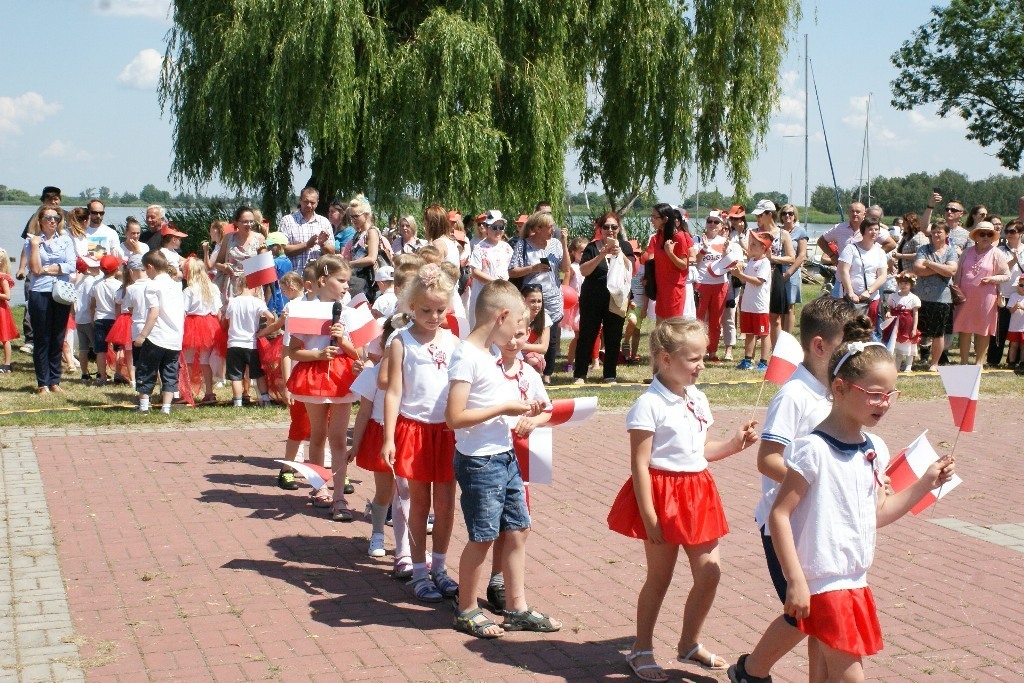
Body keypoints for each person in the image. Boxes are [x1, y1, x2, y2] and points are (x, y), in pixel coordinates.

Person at [766, 340, 955, 683]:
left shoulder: (875, 449)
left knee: (826, 676)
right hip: (825, 582)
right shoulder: (812, 449)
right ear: (839, 388)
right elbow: (778, 514)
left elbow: (877, 514)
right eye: (874, 394)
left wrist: (925, 483)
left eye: (890, 394)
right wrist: (795, 580)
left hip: (855, 581)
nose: (884, 404)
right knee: (851, 677)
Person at [607, 319, 758, 679]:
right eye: (693, 359)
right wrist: (649, 516)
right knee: (659, 578)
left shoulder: (698, 397)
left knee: (710, 573)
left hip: (697, 493)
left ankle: (688, 644)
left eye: (702, 357)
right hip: (662, 495)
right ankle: (641, 648)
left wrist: (735, 443)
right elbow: (640, 465)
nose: (701, 365)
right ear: (665, 359)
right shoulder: (649, 404)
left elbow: (702, 450)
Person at [729, 297, 857, 683]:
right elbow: (768, 458)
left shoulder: (834, 393)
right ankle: (751, 671)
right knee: (805, 612)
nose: (852, 357)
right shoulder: (794, 395)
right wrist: (815, 479)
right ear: (819, 346)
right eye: (844, 348)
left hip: (820, 524)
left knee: (821, 614)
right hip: (786, 523)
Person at [447, 280, 556, 639]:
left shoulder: (489, 355)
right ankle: (466, 609)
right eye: (516, 325)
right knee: (482, 536)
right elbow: (455, 417)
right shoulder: (468, 355)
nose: (517, 335)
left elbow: (492, 405)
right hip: (480, 461)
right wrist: (506, 408)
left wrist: (525, 412)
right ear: (502, 316)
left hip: (503, 454)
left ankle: (516, 607)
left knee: (518, 529)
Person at [382, 264, 460, 602]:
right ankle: (418, 570)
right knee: (418, 504)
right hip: (414, 429)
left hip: (448, 432)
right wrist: (388, 437)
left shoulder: (454, 341)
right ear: (412, 305)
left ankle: (440, 568)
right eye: (426, 310)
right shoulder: (401, 341)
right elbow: (394, 392)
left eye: (440, 310)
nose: (433, 316)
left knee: (445, 504)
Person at [285, 256, 360, 513]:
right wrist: (318, 354)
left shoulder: (350, 313)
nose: (345, 286)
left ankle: (339, 494)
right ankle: (320, 487)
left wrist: (344, 341)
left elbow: (359, 353)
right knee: (317, 435)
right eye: (340, 280)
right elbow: (292, 350)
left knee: (338, 438)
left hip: (341, 377)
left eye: (347, 281)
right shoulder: (304, 310)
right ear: (322, 280)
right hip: (314, 376)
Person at [507, 211, 569, 383]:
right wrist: (532, 268)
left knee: (552, 336)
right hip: (531, 296)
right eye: (549, 227)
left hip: (552, 297)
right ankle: (524, 368)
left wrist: (564, 244)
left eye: (553, 226)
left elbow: (565, 268)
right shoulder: (524, 244)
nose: (552, 229)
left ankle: (547, 374)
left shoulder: (555, 244)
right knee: (527, 332)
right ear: (537, 228)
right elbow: (512, 270)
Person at [573, 212, 635, 384]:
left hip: (615, 299)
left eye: (613, 227)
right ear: (600, 229)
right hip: (592, 298)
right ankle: (580, 374)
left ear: (618, 228)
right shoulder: (592, 247)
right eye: (606, 227)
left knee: (613, 336)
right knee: (587, 335)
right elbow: (583, 271)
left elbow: (632, 270)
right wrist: (600, 255)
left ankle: (610, 375)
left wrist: (619, 252)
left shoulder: (625, 246)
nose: (610, 230)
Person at [26, 205, 77, 393]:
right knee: (42, 337)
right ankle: (43, 382)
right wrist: (34, 247)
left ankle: (55, 380)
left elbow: (71, 265)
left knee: (57, 336)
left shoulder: (66, 240)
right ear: (40, 220)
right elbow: (35, 269)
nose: (52, 221)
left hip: (61, 292)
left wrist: (48, 269)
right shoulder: (32, 241)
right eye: (48, 217)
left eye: (56, 217)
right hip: (40, 292)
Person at [133, 250, 185, 413]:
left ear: (150, 267)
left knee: (146, 369)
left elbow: (153, 313)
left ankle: (143, 406)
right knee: (170, 372)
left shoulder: (152, 285)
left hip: (156, 336)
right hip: (174, 337)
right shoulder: (176, 285)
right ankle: (166, 407)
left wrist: (142, 335)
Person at [953, 221, 1010, 365]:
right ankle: (964, 362)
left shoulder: (996, 253)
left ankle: (979, 363)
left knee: (983, 330)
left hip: (986, 297)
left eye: (989, 234)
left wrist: (992, 278)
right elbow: (958, 273)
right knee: (964, 329)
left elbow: (1006, 275)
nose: (986, 237)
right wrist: (956, 290)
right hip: (965, 296)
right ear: (976, 235)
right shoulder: (967, 252)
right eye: (982, 233)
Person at [18, 187, 66, 354]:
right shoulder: (35, 218)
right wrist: (21, 268)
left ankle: (60, 341)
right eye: (49, 199)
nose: (53, 202)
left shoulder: (65, 217)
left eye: (56, 199)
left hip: (60, 275)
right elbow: (27, 246)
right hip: (37, 270)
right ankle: (31, 339)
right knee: (31, 303)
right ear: (43, 200)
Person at [912, 220, 959, 371]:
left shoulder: (951, 251)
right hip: (921, 296)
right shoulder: (923, 249)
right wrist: (942, 268)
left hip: (942, 298)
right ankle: (910, 360)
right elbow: (918, 270)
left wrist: (930, 264)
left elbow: (952, 271)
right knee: (916, 330)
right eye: (934, 232)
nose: (936, 235)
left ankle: (934, 363)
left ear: (947, 234)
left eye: (939, 232)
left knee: (939, 333)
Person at [224, 278, 275, 407]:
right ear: (256, 287)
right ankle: (265, 399)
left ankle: (237, 402)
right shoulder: (257, 302)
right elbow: (271, 317)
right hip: (251, 344)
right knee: (259, 374)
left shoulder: (232, 301)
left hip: (234, 343)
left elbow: (227, 320)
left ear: (240, 285)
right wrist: (265, 331)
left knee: (236, 376)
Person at [181, 257, 224, 404]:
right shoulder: (213, 288)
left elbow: (184, 312)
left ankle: (186, 393)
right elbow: (218, 311)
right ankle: (210, 392)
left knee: (187, 361)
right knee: (205, 362)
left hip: (192, 326)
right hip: (210, 325)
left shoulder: (188, 290)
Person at [644, 203, 696, 322]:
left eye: (654, 217)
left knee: (672, 326)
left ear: (665, 219)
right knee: (660, 326)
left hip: (674, 289)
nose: (651, 220)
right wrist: (648, 277)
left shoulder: (678, 237)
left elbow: (683, 265)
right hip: (661, 287)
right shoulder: (658, 235)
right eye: (651, 216)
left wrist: (670, 253)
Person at [837, 217, 888, 327]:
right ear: (863, 231)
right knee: (849, 328)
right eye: (870, 229)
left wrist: (869, 292)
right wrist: (850, 292)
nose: (874, 232)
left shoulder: (880, 252)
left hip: (871, 299)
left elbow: (882, 275)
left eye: (876, 229)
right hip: (851, 299)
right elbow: (844, 271)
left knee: (868, 329)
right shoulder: (851, 248)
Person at [733, 231, 773, 371]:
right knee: (749, 332)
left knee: (763, 333)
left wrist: (740, 275)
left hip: (759, 305)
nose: (751, 246)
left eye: (754, 244)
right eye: (751, 243)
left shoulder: (765, 263)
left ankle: (763, 361)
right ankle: (748, 359)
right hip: (748, 304)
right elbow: (745, 279)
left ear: (763, 248)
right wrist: (738, 273)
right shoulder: (751, 261)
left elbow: (758, 281)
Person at [467, 210, 514, 328]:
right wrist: (494, 282)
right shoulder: (479, 248)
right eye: (494, 227)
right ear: (487, 228)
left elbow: (510, 268)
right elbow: (475, 271)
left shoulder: (507, 247)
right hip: (484, 293)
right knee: (483, 327)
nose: (498, 231)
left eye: (501, 227)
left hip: (503, 292)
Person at [987, 219, 1024, 366]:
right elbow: (998, 270)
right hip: (1003, 295)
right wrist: (1013, 261)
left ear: (1021, 233)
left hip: (1020, 296)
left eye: (1012, 231)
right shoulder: (1000, 250)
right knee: (999, 329)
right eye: (1007, 231)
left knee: (1020, 329)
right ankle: (993, 360)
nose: (1008, 234)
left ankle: (1014, 360)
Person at [344, 194, 390, 301]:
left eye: (356, 216)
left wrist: (348, 263)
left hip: (369, 283)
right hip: (359, 280)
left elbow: (371, 258)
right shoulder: (358, 234)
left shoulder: (372, 231)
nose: (353, 219)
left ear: (366, 215)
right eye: (351, 216)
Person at [215, 206, 267, 299]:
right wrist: (224, 267)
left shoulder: (259, 238)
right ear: (236, 222)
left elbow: (265, 268)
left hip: (252, 286)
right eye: (245, 221)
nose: (249, 224)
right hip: (232, 287)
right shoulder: (228, 238)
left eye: (251, 221)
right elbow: (217, 263)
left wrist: (263, 252)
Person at [89, 255, 123, 385]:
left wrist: (93, 319)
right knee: (119, 348)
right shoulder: (119, 285)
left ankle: (102, 376)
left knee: (101, 350)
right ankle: (118, 373)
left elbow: (92, 305)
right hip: (115, 319)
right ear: (116, 270)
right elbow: (119, 304)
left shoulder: (96, 284)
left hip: (100, 318)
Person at [280, 187, 333, 271]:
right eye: (306, 202)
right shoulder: (287, 220)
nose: (309, 205)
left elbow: (331, 254)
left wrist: (322, 244)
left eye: (312, 202)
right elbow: (282, 250)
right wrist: (306, 245)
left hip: (317, 276)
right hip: (294, 276)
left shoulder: (324, 222)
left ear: (317, 203)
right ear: (300, 200)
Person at [779, 204, 807, 335]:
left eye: (790, 213)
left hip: (793, 272)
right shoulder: (778, 231)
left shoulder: (800, 232)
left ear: (795, 215)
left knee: (790, 306)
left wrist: (789, 272)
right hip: (778, 271)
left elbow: (801, 255)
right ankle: (778, 336)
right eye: (784, 213)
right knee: (779, 306)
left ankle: (787, 337)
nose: (787, 216)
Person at [73, 256, 101, 381]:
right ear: (88, 270)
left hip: (80, 319)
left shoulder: (79, 282)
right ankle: (101, 373)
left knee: (83, 348)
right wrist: (93, 320)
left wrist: (74, 315)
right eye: (95, 266)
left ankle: (84, 374)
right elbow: (92, 303)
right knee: (98, 348)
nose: (98, 268)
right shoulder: (91, 282)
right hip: (89, 320)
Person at [886, 273, 922, 372]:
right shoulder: (893, 296)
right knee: (898, 344)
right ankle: (896, 366)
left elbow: (915, 314)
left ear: (911, 285)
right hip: (896, 324)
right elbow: (889, 307)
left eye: (906, 283)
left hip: (907, 324)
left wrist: (914, 328)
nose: (903, 285)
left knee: (909, 344)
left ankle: (908, 366)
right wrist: (888, 312)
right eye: (901, 283)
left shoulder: (914, 298)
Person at [0, 248, 18, 373]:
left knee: (4, 337)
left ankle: (7, 364)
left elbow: (8, 296)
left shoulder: (3, 278)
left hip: (1, 309)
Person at [1004, 276, 1024, 368]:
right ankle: (1011, 363)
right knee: (1013, 345)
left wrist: (1022, 307)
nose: (1023, 287)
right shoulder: (1013, 296)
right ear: (1018, 285)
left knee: (1023, 346)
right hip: (1015, 326)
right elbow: (1011, 310)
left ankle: (1022, 363)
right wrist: (1016, 306)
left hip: (1023, 327)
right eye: (1021, 285)